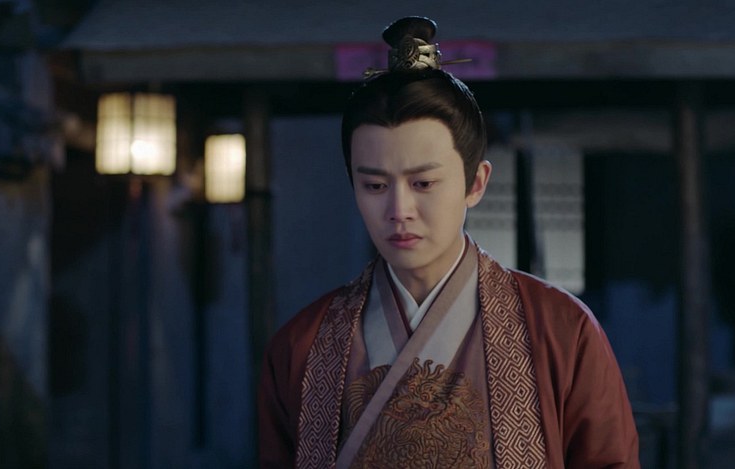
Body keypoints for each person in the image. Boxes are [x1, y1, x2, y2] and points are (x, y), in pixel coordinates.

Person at [258, 16, 639, 469]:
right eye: (375, 186)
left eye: (423, 183)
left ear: (475, 183)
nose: (399, 209)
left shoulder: (560, 330)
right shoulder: (302, 345)